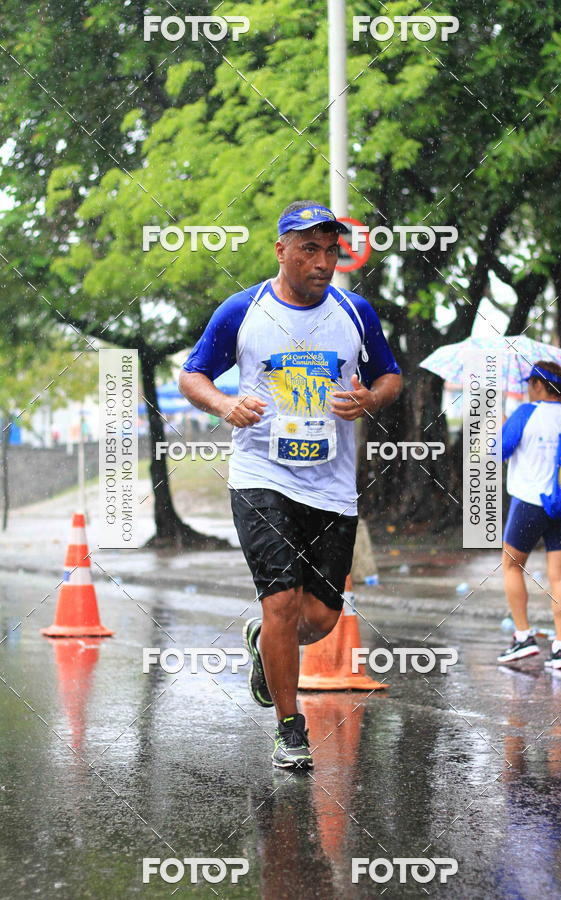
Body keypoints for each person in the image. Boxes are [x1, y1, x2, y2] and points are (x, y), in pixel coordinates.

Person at [179, 200, 403, 768]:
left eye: (331, 251)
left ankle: (265, 644)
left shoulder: (356, 313)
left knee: (321, 619)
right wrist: (225, 404)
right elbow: (192, 374)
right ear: (281, 250)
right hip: (261, 476)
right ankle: (289, 727)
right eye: (309, 249)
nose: (323, 262)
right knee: (280, 601)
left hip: (330, 485)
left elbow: (390, 376)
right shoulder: (243, 310)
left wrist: (371, 399)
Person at [498, 361, 561, 670]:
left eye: (530, 383)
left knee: (512, 566)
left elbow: (498, 452)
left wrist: (500, 426)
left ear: (539, 385)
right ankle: (560, 648)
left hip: (530, 503)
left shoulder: (526, 414)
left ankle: (523, 636)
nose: (527, 388)